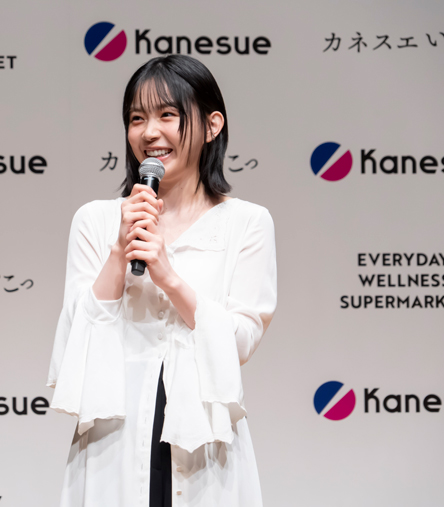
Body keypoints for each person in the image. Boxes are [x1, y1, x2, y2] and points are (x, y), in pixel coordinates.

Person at [46, 54, 277, 507]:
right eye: (137, 119)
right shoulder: (96, 220)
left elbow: (240, 342)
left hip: (204, 442)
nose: (149, 133)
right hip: (114, 437)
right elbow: (77, 340)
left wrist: (169, 277)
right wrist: (119, 251)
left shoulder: (247, 223)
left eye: (168, 115)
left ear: (212, 125)